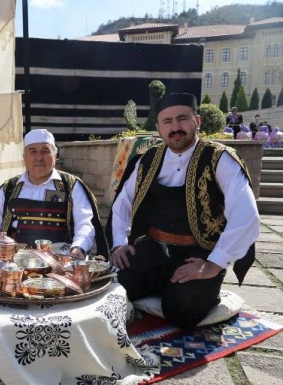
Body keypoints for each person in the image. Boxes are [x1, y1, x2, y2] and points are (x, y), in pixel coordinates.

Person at [109, 93, 259, 329]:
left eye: (182, 119)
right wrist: (119, 242)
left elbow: (246, 215)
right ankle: (165, 286)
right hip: (154, 251)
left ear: (197, 121)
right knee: (111, 287)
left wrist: (214, 264)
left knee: (182, 312)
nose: (175, 127)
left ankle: (200, 290)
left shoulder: (219, 158)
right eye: (167, 122)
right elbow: (122, 203)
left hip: (198, 255)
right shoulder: (147, 159)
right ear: (158, 128)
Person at [0, 128, 108, 258]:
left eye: (45, 151)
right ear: (24, 157)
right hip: (12, 266)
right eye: (33, 151)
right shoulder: (9, 188)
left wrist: (78, 248)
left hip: (60, 264)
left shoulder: (71, 186)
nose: (39, 157)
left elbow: (84, 224)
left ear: (55, 156)